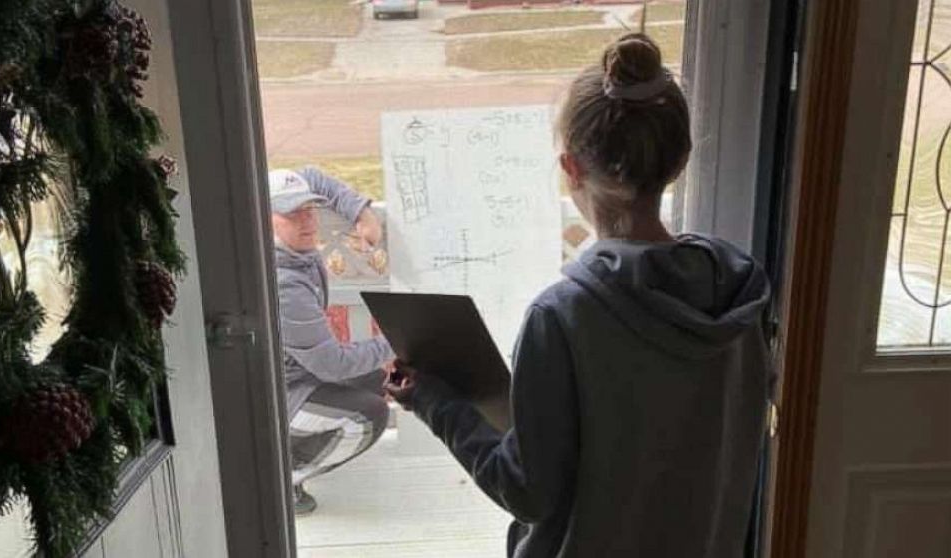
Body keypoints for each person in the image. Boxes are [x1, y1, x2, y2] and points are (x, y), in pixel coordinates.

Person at [387, 33, 773, 557]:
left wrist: (431, 399)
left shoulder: (563, 317)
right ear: (680, 160)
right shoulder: (738, 294)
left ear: (571, 168)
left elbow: (526, 489)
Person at [270, 167, 394, 516]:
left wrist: (362, 212)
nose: (308, 221)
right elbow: (331, 364)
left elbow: (313, 176)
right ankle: (282, 478)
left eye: (309, 209)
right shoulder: (283, 284)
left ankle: (292, 452)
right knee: (369, 417)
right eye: (291, 213)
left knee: (381, 380)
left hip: (297, 376)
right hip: (278, 398)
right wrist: (395, 341)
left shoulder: (293, 255)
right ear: (265, 220)